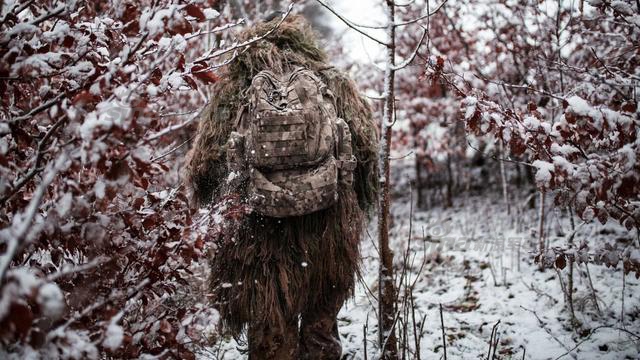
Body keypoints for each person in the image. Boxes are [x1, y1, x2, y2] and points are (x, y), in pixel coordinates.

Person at [185, 15, 378, 359]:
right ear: (305, 42)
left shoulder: (236, 89)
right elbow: (365, 155)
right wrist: (353, 207)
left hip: (259, 239)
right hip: (328, 233)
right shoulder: (333, 83)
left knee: (271, 334)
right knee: (320, 330)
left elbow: (204, 169)